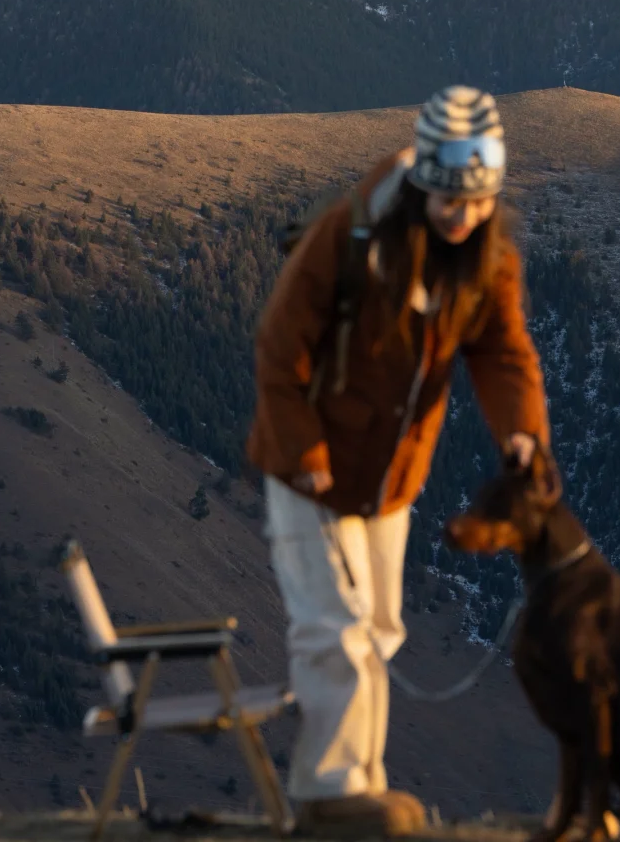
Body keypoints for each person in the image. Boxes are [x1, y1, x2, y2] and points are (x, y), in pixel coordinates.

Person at [247, 86, 551, 837]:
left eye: (476, 202)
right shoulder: (352, 236)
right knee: (333, 627)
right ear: (423, 185)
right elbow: (280, 347)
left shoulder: (487, 259)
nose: (462, 216)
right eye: (449, 200)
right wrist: (306, 451)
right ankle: (329, 791)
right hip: (310, 469)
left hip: (389, 481)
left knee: (379, 627)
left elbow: (504, 354)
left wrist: (520, 436)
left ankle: (362, 787)